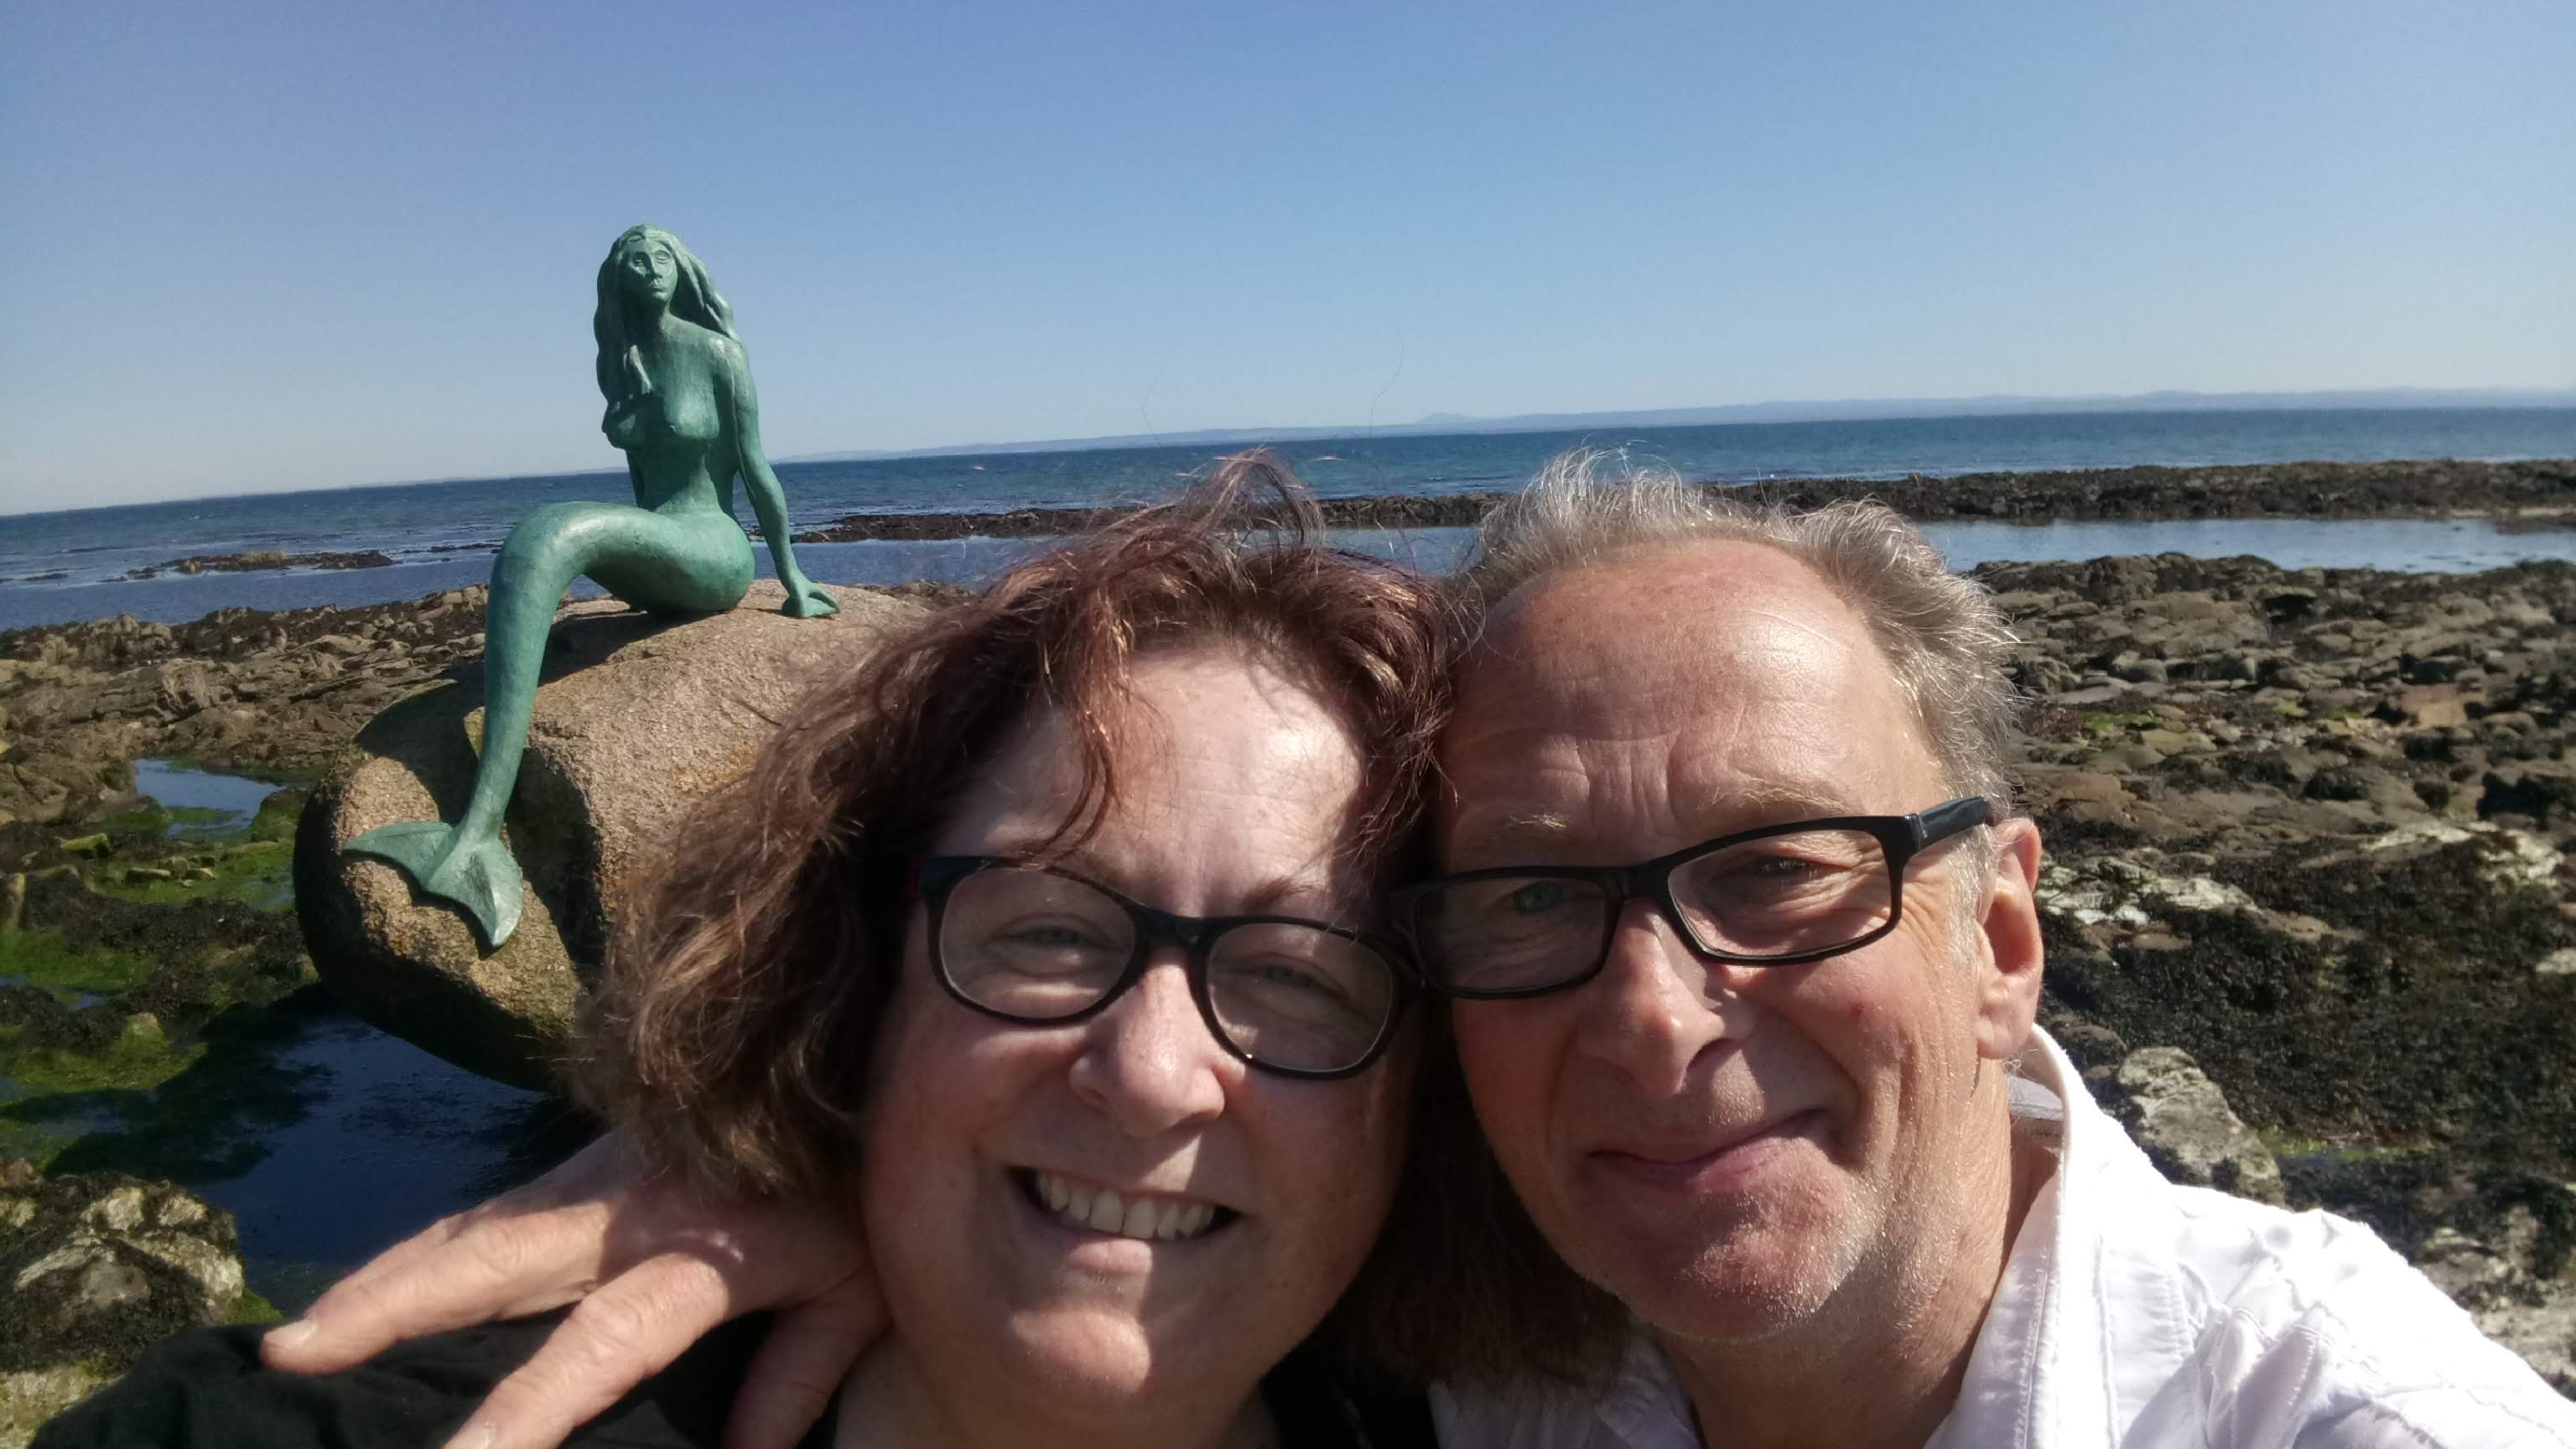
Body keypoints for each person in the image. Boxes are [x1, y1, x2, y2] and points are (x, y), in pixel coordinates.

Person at [256, 454, 2576, 1447]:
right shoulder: (1479, 1357)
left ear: (1998, 932)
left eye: (1783, 869)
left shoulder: (2338, 1414)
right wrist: (877, 1186)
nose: (1650, 1016)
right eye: (1535, 898)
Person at [38, 458, 1458, 1449]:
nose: (1150, 1073)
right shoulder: (331, 1426)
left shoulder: (1499, 1415)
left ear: (1430, 1086)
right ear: (860, 983)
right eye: (1044, 928)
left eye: (1296, 971)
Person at [348, 225, 840, 948]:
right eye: (636, 261)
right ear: (618, 279)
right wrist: (636, 567)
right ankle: (472, 831)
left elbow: (756, 469)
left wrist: (791, 574)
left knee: (551, 529)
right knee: (535, 545)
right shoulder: (623, 359)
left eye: (662, 258)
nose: (651, 269)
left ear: (683, 270)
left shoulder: (718, 354)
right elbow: (642, 482)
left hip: (713, 550)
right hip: (661, 547)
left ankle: (478, 830)